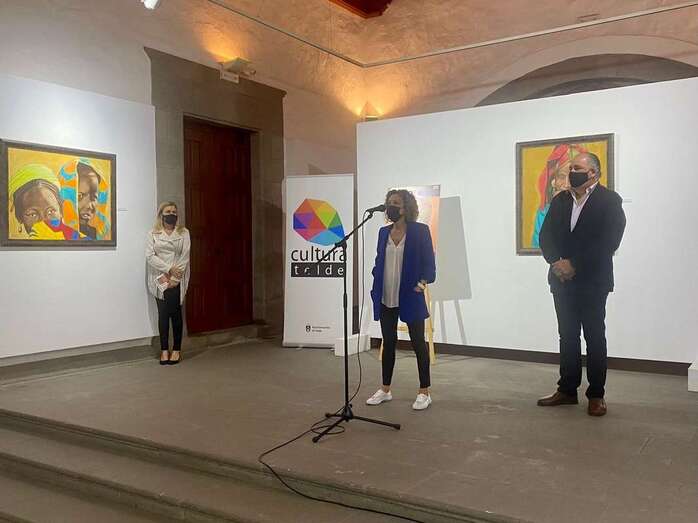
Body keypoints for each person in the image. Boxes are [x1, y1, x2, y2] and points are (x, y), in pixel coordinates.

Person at [538, 152, 626, 416]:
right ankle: (567, 389)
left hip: (592, 281)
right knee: (567, 335)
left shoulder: (609, 201)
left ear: (593, 173)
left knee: (594, 336)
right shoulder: (561, 200)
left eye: (577, 168)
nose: (571, 172)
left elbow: (609, 242)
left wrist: (574, 264)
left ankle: (596, 395)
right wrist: (556, 262)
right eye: (571, 168)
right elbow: (546, 236)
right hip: (561, 280)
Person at [366, 189, 436, 410]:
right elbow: (379, 260)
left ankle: (424, 392)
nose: (390, 207)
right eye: (389, 203)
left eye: (395, 203)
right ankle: (385, 389)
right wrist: (376, 277)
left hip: (410, 296)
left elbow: (429, 265)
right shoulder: (383, 233)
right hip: (386, 296)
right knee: (388, 343)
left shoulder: (420, 231)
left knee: (418, 344)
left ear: (406, 207)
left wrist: (421, 285)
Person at [146, 202, 191, 365]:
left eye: (174, 211)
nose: (171, 214)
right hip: (159, 278)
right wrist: (168, 269)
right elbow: (150, 256)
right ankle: (164, 350)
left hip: (177, 278)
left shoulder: (184, 232)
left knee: (176, 313)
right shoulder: (152, 233)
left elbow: (185, 255)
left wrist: (175, 278)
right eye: (168, 211)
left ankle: (176, 349)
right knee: (163, 314)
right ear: (161, 214)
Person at [531, 144, 587, 248]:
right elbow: (539, 247)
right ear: (553, 181)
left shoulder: (592, 209)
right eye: (561, 176)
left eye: (573, 177)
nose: (567, 184)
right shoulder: (544, 213)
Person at [9, 163, 82, 240]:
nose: (43, 222)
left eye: (50, 211)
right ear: (19, 218)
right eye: (33, 214)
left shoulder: (78, 239)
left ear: (61, 210)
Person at [58, 158, 111, 240]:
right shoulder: (56, 233)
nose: (89, 206)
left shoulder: (98, 234)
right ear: (65, 196)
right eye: (80, 196)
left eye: (94, 197)